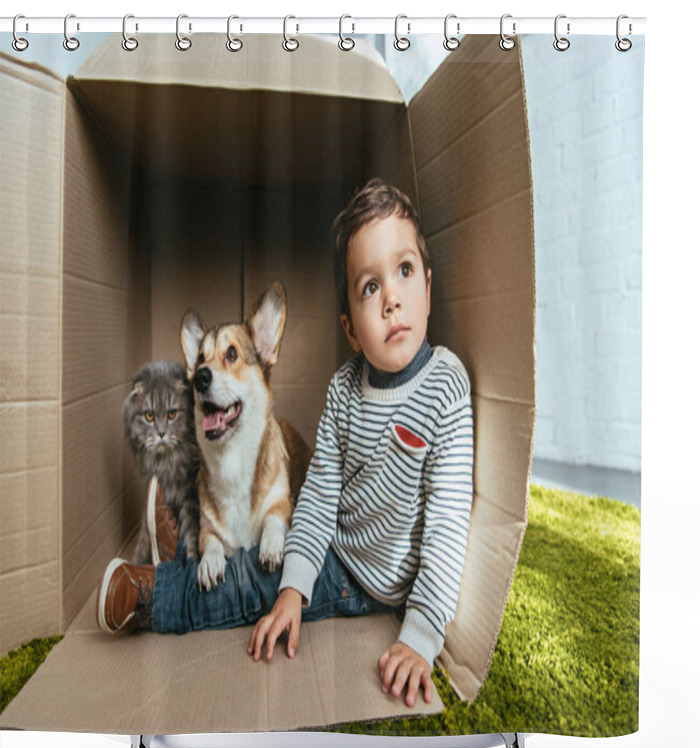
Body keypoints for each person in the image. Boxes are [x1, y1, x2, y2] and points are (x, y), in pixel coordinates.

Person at [96, 179, 474, 709]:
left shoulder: (446, 385)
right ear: (349, 328)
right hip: (330, 550)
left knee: (249, 583)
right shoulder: (344, 389)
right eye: (370, 286)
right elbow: (318, 495)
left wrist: (421, 635)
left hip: (374, 582)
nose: (391, 298)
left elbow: (449, 523)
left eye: (405, 271)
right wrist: (296, 584)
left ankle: (154, 598)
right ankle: (169, 573)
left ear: (429, 287)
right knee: (265, 579)